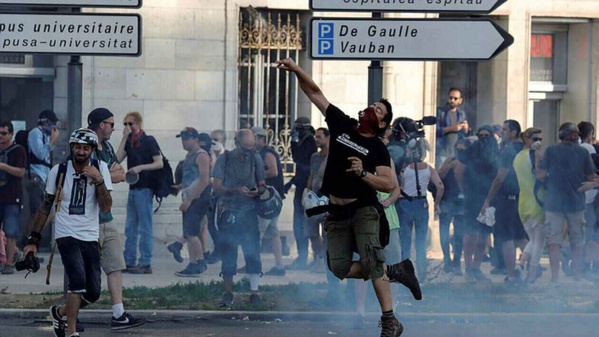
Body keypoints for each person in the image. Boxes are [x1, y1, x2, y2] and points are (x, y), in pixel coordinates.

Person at [277, 57, 421, 337]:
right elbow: (315, 93)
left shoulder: (377, 147)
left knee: (370, 260)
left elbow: (388, 183)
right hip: (335, 212)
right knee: (339, 267)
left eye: (378, 110)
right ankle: (395, 271)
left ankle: (390, 320)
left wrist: (363, 173)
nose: (372, 109)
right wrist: (297, 70)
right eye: (373, 105)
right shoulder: (342, 124)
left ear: (381, 123)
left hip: (364, 210)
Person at [23, 128, 113, 337]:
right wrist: (33, 239)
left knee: (93, 292)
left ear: (91, 149)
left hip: (90, 235)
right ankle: (71, 332)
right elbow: (45, 206)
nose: (81, 152)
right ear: (72, 147)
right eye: (78, 147)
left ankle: (59, 312)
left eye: (86, 148)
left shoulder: (101, 168)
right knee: (77, 282)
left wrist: (98, 180)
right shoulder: (59, 170)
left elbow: (106, 207)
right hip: (66, 234)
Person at [87, 108, 146, 329]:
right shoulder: (85, 145)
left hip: (106, 216)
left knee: (115, 266)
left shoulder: (108, 147)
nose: (115, 127)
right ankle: (67, 315)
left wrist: (103, 176)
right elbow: (87, 175)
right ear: (101, 125)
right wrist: (108, 175)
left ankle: (118, 314)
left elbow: (121, 173)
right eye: (112, 124)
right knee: (84, 273)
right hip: (88, 219)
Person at [537, 122, 596, 283]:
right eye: (576, 133)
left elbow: (540, 175)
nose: (577, 136)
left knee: (554, 243)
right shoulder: (583, 152)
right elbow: (591, 177)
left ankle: (555, 279)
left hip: (553, 203)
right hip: (576, 203)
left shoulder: (550, 150)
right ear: (572, 135)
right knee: (577, 242)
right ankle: (577, 276)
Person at [212, 129, 265, 306]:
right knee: (228, 252)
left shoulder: (255, 157)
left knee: (253, 252)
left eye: (251, 149)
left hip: (249, 211)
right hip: (229, 211)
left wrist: (259, 191)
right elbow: (217, 187)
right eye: (245, 149)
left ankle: (255, 292)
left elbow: (262, 184)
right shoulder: (224, 159)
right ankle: (228, 292)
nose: (248, 153)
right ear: (236, 143)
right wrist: (235, 190)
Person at [480, 120, 528, 285]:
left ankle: (512, 274)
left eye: (505, 130)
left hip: (508, 200)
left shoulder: (509, 151)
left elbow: (500, 178)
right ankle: (531, 271)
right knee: (522, 237)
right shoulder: (525, 150)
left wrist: (488, 198)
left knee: (507, 238)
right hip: (523, 198)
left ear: (514, 132)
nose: (502, 133)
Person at [116, 112, 163, 274]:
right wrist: (123, 138)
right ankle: (129, 260)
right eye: (125, 124)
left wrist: (141, 167)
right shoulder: (129, 142)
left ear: (139, 124)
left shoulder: (148, 141)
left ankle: (145, 262)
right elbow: (117, 160)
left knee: (145, 227)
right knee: (130, 227)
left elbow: (159, 163)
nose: (128, 127)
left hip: (145, 187)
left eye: (131, 124)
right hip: (133, 187)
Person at [457, 125, 499, 282]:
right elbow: (459, 170)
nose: (483, 139)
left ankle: (476, 267)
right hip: (472, 199)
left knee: (484, 234)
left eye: (486, 135)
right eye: (480, 135)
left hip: (490, 199)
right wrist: (466, 191)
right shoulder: (471, 152)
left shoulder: (496, 152)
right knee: (470, 233)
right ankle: (468, 268)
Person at [397, 140, 444, 281]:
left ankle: (405, 276)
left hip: (405, 203)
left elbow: (399, 186)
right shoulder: (429, 168)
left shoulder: (405, 168)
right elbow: (440, 186)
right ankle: (422, 277)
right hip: (422, 204)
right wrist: (437, 203)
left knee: (405, 242)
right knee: (420, 242)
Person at [173, 127, 211, 277]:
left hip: (198, 199)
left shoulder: (201, 155)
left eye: (187, 138)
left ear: (195, 139)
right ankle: (193, 263)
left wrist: (189, 200)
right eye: (182, 138)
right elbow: (191, 179)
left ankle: (200, 262)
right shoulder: (189, 156)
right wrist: (180, 187)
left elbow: (204, 180)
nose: (184, 141)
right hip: (190, 197)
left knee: (191, 232)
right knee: (189, 233)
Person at [251, 126, 286, 276]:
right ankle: (279, 266)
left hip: (268, 199)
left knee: (256, 232)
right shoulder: (260, 153)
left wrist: (256, 176)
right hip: (270, 199)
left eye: (254, 138)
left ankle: (253, 265)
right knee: (273, 232)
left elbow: (273, 171)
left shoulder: (267, 153)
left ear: (261, 139)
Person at [513, 127, 546, 284]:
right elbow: (540, 175)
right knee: (539, 242)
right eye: (535, 139)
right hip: (537, 202)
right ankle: (531, 276)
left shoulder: (518, 157)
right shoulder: (533, 156)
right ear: (526, 139)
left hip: (523, 203)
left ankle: (521, 265)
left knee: (533, 240)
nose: (538, 143)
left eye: (540, 139)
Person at [24, 110, 60, 250]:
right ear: (45, 122)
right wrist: (52, 141)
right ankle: (29, 241)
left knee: (47, 212)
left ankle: (32, 237)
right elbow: (40, 154)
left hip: (44, 177)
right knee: (38, 212)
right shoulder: (35, 133)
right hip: (35, 176)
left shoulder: (45, 135)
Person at [437, 138, 472, 275]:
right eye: (458, 149)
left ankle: (456, 261)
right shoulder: (449, 160)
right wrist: (448, 166)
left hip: (461, 201)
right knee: (444, 231)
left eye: (462, 150)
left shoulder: (469, 162)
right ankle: (447, 259)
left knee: (459, 233)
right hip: (447, 199)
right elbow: (438, 177)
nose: (459, 152)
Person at [286, 116, 317, 270]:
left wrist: (292, 140)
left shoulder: (309, 141)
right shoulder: (306, 140)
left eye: (297, 127)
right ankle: (302, 256)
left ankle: (305, 257)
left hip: (306, 188)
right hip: (301, 185)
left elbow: (298, 158)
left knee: (303, 224)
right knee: (298, 224)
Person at [0, 120, 27, 275]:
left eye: (4, 133)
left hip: (12, 195)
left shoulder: (18, 150)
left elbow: (21, 172)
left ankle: (9, 262)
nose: (1, 137)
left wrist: (4, 167)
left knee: (11, 231)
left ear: (11, 133)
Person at [304, 127, 330, 273]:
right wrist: (307, 194)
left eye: (319, 137)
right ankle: (318, 258)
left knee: (327, 233)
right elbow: (312, 176)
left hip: (327, 200)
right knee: (312, 232)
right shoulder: (315, 156)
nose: (316, 139)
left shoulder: (334, 157)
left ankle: (325, 261)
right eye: (316, 137)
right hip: (314, 198)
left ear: (327, 138)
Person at [435, 88, 469, 168]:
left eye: (455, 98)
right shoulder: (440, 112)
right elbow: (435, 131)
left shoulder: (461, 114)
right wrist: (451, 128)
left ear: (460, 101)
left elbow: (464, 135)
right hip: (442, 153)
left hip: (456, 154)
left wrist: (466, 129)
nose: (452, 100)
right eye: (450, 98)